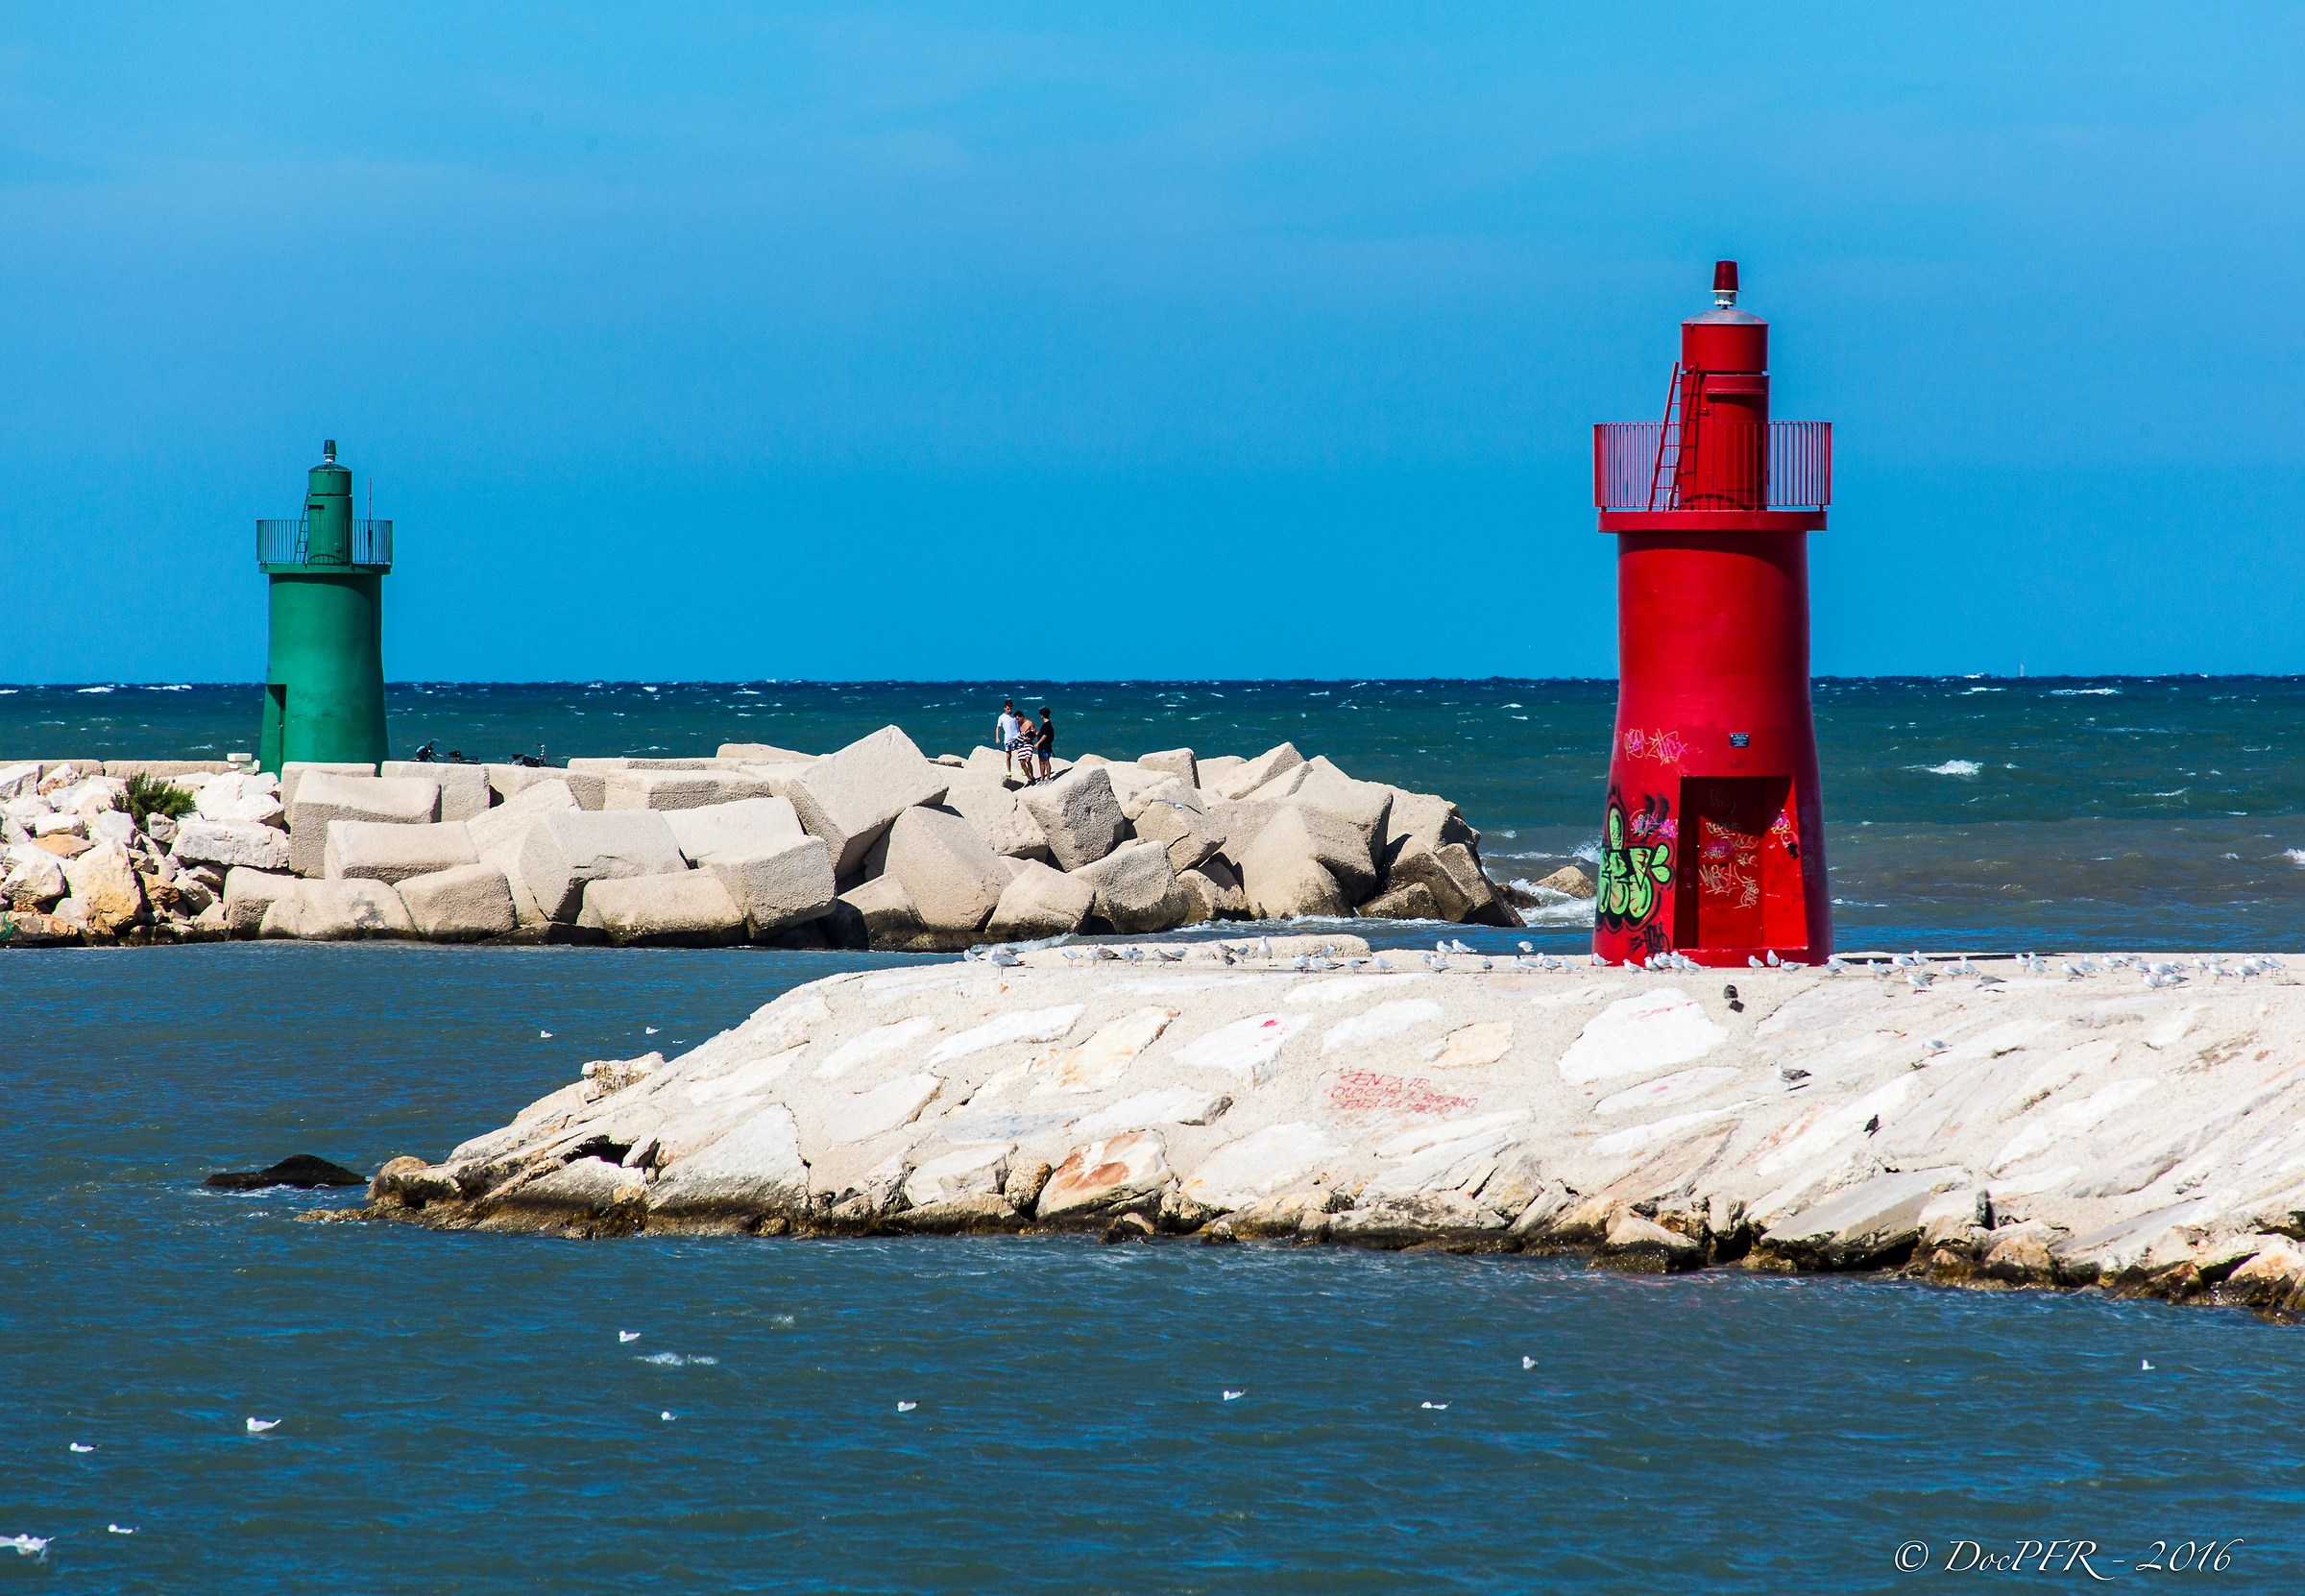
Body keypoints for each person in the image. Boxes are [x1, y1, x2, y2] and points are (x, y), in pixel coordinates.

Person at [994, 699, 1024, 779]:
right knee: (1008, 756)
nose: (1009, 710)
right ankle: (1008, 771)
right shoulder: (1001, 717)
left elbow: (1020, 722)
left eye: (1010, 708)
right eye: (1008, 708)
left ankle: (1023, 769)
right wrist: (997, 737)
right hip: (1008, 738)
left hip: (1017, 736)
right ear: (1004, 708)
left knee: (1021, 754)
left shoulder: (1014, 715)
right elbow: (998, 727)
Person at [1032, 708, 1055, 782]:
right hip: (1042, 746)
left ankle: (1048, 778)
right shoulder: (1047, 724)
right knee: (1041, 761)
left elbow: (1045, 735)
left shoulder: (1047, 724)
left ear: (1042, 715)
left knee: (1046, 761)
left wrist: (1037, 743)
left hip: (1045, 746)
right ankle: (1042, 778)